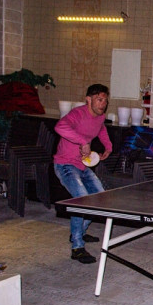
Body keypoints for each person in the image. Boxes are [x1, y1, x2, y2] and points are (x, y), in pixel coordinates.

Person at [54, 84, 112, 264]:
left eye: (105, 100)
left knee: (100, 199)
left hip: (83, 165)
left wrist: (108, 146)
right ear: (88, 100)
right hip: (65, 165)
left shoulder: (100, 116)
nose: (103, 104)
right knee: (82, 201)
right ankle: (77, 247)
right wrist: (82, 141)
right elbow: (60, 127)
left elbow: (101, 128)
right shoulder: (77, 114)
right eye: (99, 100)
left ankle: (78, 232)